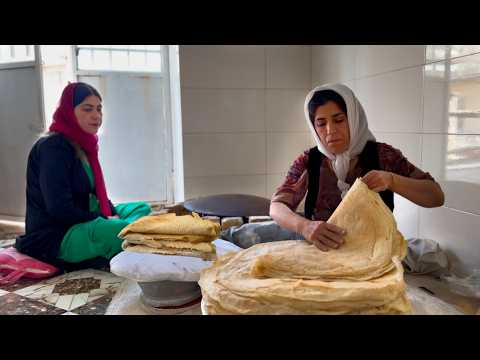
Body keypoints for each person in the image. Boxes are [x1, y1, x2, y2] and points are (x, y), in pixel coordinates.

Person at [269, 83, 444, 252]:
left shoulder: (383, 156)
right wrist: (304, 226)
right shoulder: (310, 160)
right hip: (322, 256)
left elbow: (435, 197)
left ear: (354, 118)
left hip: (375, 256)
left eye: (338, 120)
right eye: (321, 124)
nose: (330, 130)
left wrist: (392, 180)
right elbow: (276, 206)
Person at [15, 82, 151, 271]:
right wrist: (102, 218)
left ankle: (121, 240)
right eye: (87, 109)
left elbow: (97, 195)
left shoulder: (83, 145)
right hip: (56, 233)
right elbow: (59, 209)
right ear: (69, 112)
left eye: (99, 109)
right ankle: (118, 243)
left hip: (80, 219)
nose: (96, 116)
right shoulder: (53, 147)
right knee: (116, 229)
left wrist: (109, 213)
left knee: (141, 208)